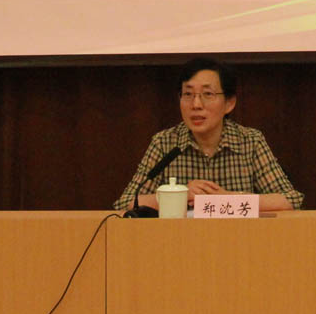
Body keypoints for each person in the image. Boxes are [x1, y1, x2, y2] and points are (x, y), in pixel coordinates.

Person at [114, 57, 303, 212]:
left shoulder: (250, 142)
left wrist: (229, 199)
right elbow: (126, 202)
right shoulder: (164, 143)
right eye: (188, 94)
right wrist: (178, 196)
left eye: (208, 94)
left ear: (229, 103)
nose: (196, 104)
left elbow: (290, 200)